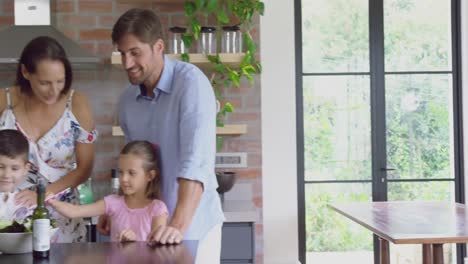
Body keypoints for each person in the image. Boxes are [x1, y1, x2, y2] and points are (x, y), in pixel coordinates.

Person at [98, 8, 225, 263]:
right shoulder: (127, 101)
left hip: (193, 226)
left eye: (135, 53)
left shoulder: (191, 85)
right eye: (122, 54)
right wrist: (122, 205)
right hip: (150, 229)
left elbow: (196, 164)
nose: (127, 64)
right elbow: (136, 166)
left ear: (158, 47)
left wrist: (177, 226)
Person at [0, 36, 97, 242]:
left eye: (60, 81)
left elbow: (85, 167)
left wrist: (44, 194)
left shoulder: (77, 104)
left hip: (63, 217)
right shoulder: (4, 101)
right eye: (44, 83)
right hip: (8, 218)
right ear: (26, 72)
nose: (54, 91)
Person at [48, 140, 169, 242]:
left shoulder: (157, 209)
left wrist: (135, 242)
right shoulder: (113, 202)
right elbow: (75, 211)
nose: (124, 179)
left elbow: (158, 250)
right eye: (121, 172)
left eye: (131, 173)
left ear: (150, 176)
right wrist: (52, 201)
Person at [0, 129, 30, 221]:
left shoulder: (27, 204)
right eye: (0, 167)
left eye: (15, 169)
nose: (7, 175)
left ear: (26, 169)